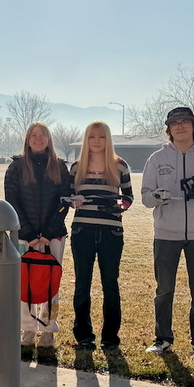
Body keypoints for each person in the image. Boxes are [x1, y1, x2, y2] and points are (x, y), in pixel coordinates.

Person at [141, 107, 194, 361]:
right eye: (174, 123)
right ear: (169, 129)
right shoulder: (157, 159)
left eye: (185, 122)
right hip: (166, 234)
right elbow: (145, 197)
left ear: (193, 126)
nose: (180, 127)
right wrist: (158, 197)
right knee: (164, 289)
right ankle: (163, 339)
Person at [69, 121, 133, 351]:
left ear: (108, 139)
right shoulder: (77, 167)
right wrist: (73, 200)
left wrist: (121, 206)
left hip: (111, 231)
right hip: (82, 231)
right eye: (92, 137)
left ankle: (110, 338)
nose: (96, 141)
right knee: (82, 284)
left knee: (110, 285)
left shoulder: (119, 165)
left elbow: (129, 196)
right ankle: (84, 336)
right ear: (86, 140)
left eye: (101, 137)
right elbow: (68, 195)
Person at [4, 122, 70, 347]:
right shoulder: (17, 167)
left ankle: (48, 328)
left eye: (42, 134)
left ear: (48, 139)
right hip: (24, 236)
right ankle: (29, 329)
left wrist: (49, 232)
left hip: (54, 236)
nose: (38, 138)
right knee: (26, 283)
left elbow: (64, 202)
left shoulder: (60, 167)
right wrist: (29, 233)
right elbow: (11, 200)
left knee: (50, 283)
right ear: (27, 139)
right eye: (34, 135)